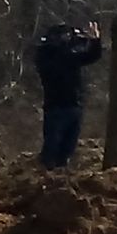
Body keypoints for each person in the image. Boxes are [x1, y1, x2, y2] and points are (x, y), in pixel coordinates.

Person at [33, 21, 104, 170]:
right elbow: (63, 59)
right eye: (65, 36)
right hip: (56, 107)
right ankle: (47, 176)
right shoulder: (47, 55)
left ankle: (59, 175)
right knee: (52, 147)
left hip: (73, 106)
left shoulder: (68, 55)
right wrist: (83, 42)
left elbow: (92, 55)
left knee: (68, 148)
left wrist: (94, 41)